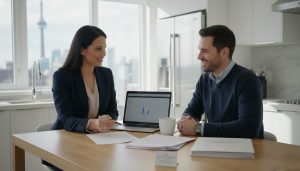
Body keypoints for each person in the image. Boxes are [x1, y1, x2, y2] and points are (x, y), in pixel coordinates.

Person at [42, 25, 118, 170]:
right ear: (82, 50)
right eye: (98, 48)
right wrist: (92, 124)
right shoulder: (62, 77)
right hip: (66, 144)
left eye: (104, 48)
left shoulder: (106, 74)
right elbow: (66, 119)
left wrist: (105, 120)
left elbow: (113, 110)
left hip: (96, 142)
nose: (104, 53)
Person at [178, 25, 264, 138]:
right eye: (200, 50)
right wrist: (186, 120)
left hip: (245, 152)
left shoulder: (247, 80)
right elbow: (192, 110)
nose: (199, 56)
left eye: (205, 51)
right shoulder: (204, 80)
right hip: (214, 147)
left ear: (224, 52)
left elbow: (248, 128)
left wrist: (198, 128)